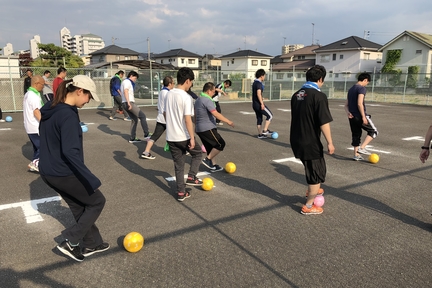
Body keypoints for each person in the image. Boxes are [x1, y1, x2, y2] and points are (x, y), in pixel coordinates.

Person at [39, 75, 108, 262]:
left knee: (79, 206)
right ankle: (70, 241)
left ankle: (92, 243)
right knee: (97, 201)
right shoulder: (67, 114)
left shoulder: (52, 108)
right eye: (88, 96)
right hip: (63, 172)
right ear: (79, 91)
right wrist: (89, 177)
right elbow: (70, 152)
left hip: (48, 171)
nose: (88, 101)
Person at [290, 65, 334, 215]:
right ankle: (309, 206)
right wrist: (330, 142)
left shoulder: (296, 95)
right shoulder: (319, 96)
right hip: (310, 141)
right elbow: (323, 122)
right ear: (320, 79)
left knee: (311, 167)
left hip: (296, 139)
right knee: (317, 172)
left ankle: (313, 190)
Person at [163, 67, 203, 202]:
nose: (191, 84)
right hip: (183, 136)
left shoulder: (168, 94)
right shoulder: (186, 97)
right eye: (191, 82)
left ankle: (181, 192)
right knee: (197, 154)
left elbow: (164, 113)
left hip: (171, 136)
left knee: (179, 166)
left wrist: (171, 124)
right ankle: (192, 176)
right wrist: (192, 138)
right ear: (187, 81)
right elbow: (187, 120)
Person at [195, 82, 234, 172]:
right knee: (220, 144)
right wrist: (228, 121)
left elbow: (195, 114)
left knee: (210, 147)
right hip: (207, 127)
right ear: (208, 91)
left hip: (200, 128)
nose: (214, 94)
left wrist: (195, 126)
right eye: (213, 92)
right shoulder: (207, 100)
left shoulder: (198, 99)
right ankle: (207, 160)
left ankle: (213, 165)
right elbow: (215, 114)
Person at [344, 73, 378, 161]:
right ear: (365, 80)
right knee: (373, 131)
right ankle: (362, 148)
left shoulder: (351, 89)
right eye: (367, 82)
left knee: (356, 134)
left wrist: (348, 112)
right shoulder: (361, 88)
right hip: (359, 115)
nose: (367, 84)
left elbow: (346, 105)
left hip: (352, 117)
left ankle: (356, 155)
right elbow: (360, 103)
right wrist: (363, 117)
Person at [141, 76, 174, 159]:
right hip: (167, 118)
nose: (174, 85)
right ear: (170, 84)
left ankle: (146, 152)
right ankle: (185, 149)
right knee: (179, 133)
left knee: (155, 136)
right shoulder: (167, 93)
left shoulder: (162, 91)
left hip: (160, 118)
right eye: (173, 83)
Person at [23, 75, 45, 172]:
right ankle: (35, 163)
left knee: (37, 147)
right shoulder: (33, 96)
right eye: (42, 84)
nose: (43, 87)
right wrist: (44, 123)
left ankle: (35, 164)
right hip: (35, 126)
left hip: (30, 126)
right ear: (36, 84)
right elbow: (36, 112)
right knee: (43, 146)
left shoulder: (28, 93)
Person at [121, 71, 151, 143]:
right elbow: (125, 91)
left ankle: (132, 138)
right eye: (135, 78)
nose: (135, 80)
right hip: (128, 102)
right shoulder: (127, 82)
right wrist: (128, 103)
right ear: (131, 76)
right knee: (142, 116)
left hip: (125, 103)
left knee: (134, 119)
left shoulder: (125, 82)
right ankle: (146, 134)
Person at [252, 69, 274, 138]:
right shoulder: (258, 83)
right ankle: (265, 130)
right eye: (264, 76)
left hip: (254, 104)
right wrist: (262, 103)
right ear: (261, 76)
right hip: (258, 104)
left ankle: (260, 134)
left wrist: (262, 98)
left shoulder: (254, 82)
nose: (264, 77)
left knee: (259, 119)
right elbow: (258, 94)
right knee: (270, 115)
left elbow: (257, 94)